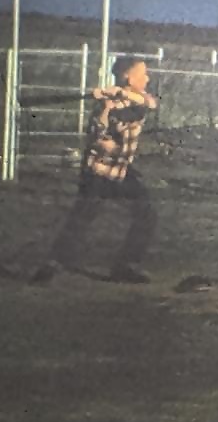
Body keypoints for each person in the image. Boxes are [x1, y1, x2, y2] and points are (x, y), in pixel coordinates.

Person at [31, 57, 159, 285]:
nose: (147, 78)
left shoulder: (134, 100)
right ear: (129, 77)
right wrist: (107, 115)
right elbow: (98, 137)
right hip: (98, 172)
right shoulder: (108, 106)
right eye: (143, 73)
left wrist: (121, 92)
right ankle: (51, 265)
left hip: (120, 170)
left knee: (146, 212)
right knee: (82, 219)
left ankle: (126, 266)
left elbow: (149, 104)